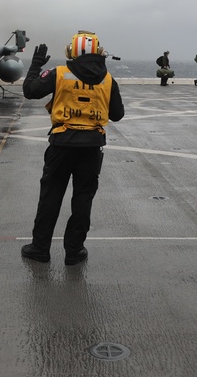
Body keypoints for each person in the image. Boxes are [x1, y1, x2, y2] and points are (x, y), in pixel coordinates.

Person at [21, 31, 125, 265]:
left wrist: (36, 64)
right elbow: (117, 115)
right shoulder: (108, 80)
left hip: (61, 144)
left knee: (50, 196)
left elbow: (30, 91)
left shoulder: (59, 74)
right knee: (83, 198)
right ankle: (74, 251)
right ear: (98, 52)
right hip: (91, 147)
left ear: (72, 51)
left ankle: (40, 248)